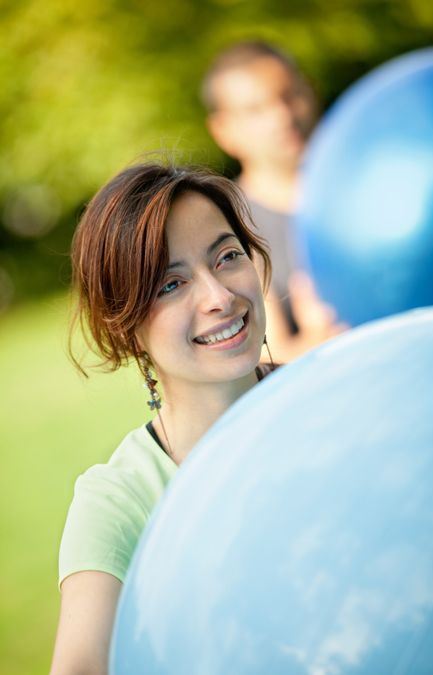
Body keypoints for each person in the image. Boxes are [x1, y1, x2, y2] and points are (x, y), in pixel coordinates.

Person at [49, 161, 274, 675]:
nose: (220, 297)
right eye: (170, 285)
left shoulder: (333, 399)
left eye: (228, 257)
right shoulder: (118, 502)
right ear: (125, 325)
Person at [202, 41, 344, 362]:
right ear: (223, 130)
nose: (283, 116)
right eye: (257, 109)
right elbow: (266, 361)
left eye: (290, 95)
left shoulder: (368, 183)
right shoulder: (228, 225)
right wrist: (322, 338)